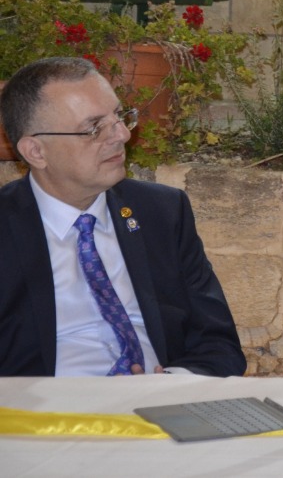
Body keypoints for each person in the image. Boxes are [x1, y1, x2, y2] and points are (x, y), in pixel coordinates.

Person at [0, 56, 245, 376]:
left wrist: (174, 383)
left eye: (119, 116)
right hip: (48, 403)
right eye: (93, 128)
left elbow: (219, 345)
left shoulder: (162, 211)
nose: (122, 135)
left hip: (159, 398)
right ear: (36, 151)